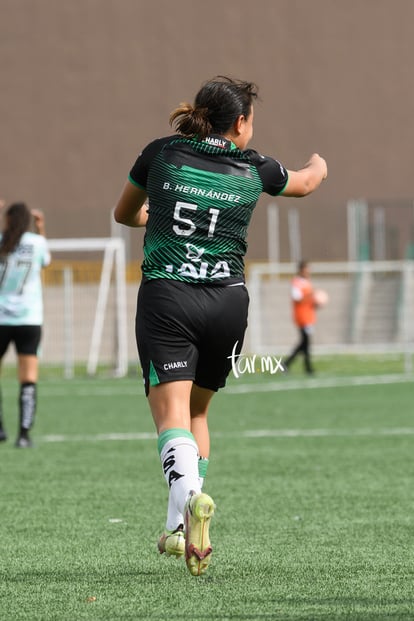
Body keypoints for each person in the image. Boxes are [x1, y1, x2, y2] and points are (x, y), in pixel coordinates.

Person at [114, 76, 327, 576]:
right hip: (229, 304)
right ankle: (180, 526)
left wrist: (159, 215)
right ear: (240, 123)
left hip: (169, 295)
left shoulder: (161, 153)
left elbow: (125, 213)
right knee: (198, 415)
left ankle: (189, 501)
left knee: (171, 417)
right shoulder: (255, 166)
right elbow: (306, 182)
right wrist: (321, 163)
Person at [0, 202, 51, 448]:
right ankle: (23, 435)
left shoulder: (1, 241)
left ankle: (0, 429)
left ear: (8, 220)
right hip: (29, 318)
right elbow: (45, 262)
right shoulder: (37, 243)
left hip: (1, 318)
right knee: (28, 377)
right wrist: (41, 229)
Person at [284, 260, 318, 375]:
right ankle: (308, 368)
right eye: (306, 269)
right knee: (305, 342)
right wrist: (310, 296)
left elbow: (309, 300)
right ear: (301, 270)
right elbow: (297, 298)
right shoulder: (296, 282)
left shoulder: (307, 282)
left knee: (304, 343)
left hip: (309, 316)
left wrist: (316, 302)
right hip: (302, 316)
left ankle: (286, 364)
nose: (308, 271)